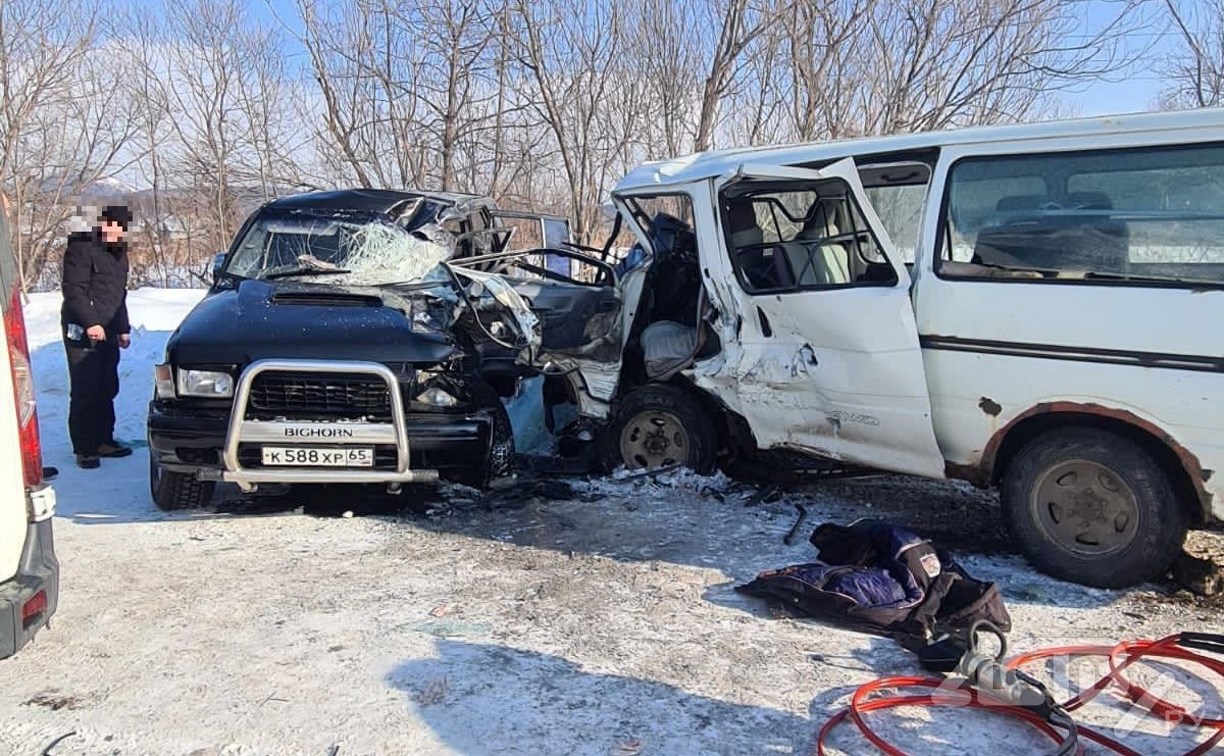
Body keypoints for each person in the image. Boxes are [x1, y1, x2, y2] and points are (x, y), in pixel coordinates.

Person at [61, 205, 133, 469]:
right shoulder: (82, 247)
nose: (120, 233)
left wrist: (123, 327)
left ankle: (104, 439)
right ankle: (85, 447)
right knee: (86, 386)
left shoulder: (118, 254)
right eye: (116, 227)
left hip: (110, 329)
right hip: (82, 329)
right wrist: (90, 321)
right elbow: (74, 290)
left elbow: (119, 294)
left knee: (106, 386)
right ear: (104, 224)